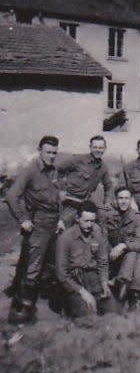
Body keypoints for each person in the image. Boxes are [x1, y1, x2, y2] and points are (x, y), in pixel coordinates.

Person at [6, 135, 64, 323]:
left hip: (53, 223)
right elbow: (12, 195)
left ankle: (45, 304)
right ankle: (21, 312)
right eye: (48, 152)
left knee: (52, 264)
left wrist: (60, 219)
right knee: (33, 268)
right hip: (37, 224)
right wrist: (23, 219)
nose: (52, 156)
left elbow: (57, 197)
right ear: (39, 151)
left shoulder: (54, 171)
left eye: (55, 153)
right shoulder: (30, 171)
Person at [56, 201, 119, 318]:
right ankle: (69, 308)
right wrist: (82, 292)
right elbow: (61, 274)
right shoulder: (65, 238)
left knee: (114, 314)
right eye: (86, 221)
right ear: (77, 218)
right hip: (75, 282)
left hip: (94, 279)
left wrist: (104, 283)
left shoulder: (98, 233)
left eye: (92, 221)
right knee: (89, 318)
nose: (89, 225)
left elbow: (103, 263)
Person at [104, 187, 140, 310]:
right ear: (115, 200)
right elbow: (103, 237)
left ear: (131, 200)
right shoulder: (109, 216)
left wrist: (123, 246)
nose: (123, 202)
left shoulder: (137, 218)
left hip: (128, 257)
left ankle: (124, 289)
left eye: (126, 198)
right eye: (120, 198)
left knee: (133, 254)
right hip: (112, 255)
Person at [58, 135, 114, 228]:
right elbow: (57, 170)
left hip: (87, 202)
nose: (98, 150)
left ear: (105, 149)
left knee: (103, 219)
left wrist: (108, 202)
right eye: (95, 147)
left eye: (101, 148)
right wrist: (61, 189)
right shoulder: (77, 159)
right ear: (90, 147)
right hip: (70, 201)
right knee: (64, 225)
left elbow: (109, 186)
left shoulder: (103, 167)